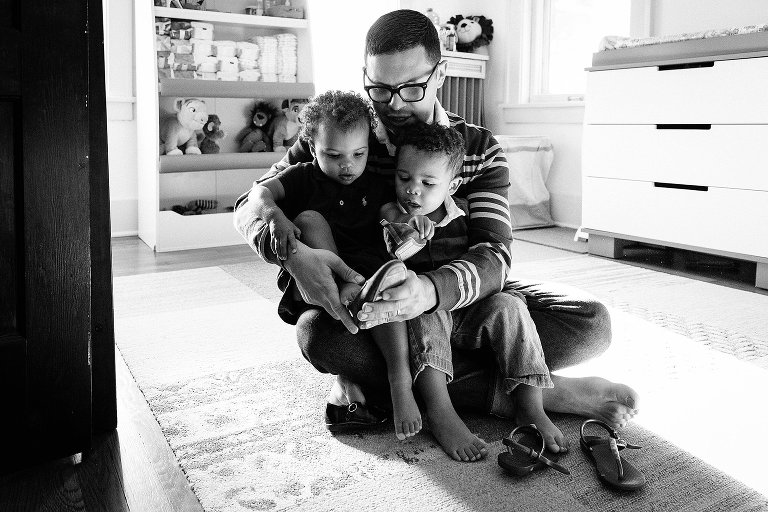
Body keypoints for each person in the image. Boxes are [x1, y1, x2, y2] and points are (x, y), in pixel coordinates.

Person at [234, 9, 638, 460]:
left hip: (461, 299)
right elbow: (250, 202)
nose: (394, 104)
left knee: (590, 325)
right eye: (379, 88)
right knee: (319, 336)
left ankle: (424, 383)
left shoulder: (480, 149)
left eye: (411, 87)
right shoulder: (340, 135)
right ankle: (533, 390)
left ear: (440, 72)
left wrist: (428, 291)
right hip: (379, 306)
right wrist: (291, 256)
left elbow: (494, 255)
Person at [244, 90, 423, 442]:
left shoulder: (373, 179)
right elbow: (257, 195)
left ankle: (399, 382)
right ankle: (346, 293)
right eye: (333, 155)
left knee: (386, 296)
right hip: (321, 278)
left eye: (358, 154)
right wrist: (274, 215)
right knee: (309, 218)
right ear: (312, 147)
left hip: (368, 277)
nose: (347, 165)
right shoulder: (302, 175)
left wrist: (404, 225)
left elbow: (389, 211)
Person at [379, 121, 560, 462]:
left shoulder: (464, 209)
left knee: (510, 304)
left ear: (453, 184)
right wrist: (411, 234)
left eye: (428, 183)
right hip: (427, 318)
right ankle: (440, 410)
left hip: (471, 308)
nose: (412, 190)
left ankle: (530, 405)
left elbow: (492, 256)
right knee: (420, 311)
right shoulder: (392, 211)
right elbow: (394, 243)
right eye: (404, 178)